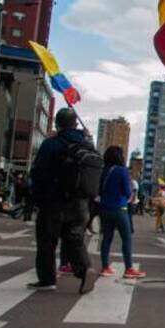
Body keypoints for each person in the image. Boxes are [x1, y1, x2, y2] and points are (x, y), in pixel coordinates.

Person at [29, 107, 99, 293]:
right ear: (75, 124)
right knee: (74, 239)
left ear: (57, 124)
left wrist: (36, 197)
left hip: (54, 200)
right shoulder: (87, 145)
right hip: (81, 203)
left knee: (47, 241)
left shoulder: (52, 144)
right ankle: (85, 270)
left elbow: (39, 173)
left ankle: (47, 279)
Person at [98, 146, 145, 279]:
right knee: (126, 237)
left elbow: (99, 190)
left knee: (107, 237)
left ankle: (105, 266)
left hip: (104, 208)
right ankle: (129, 268)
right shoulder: (122, 171)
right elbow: (127, 191)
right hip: (119, 208)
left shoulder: (104, 170)